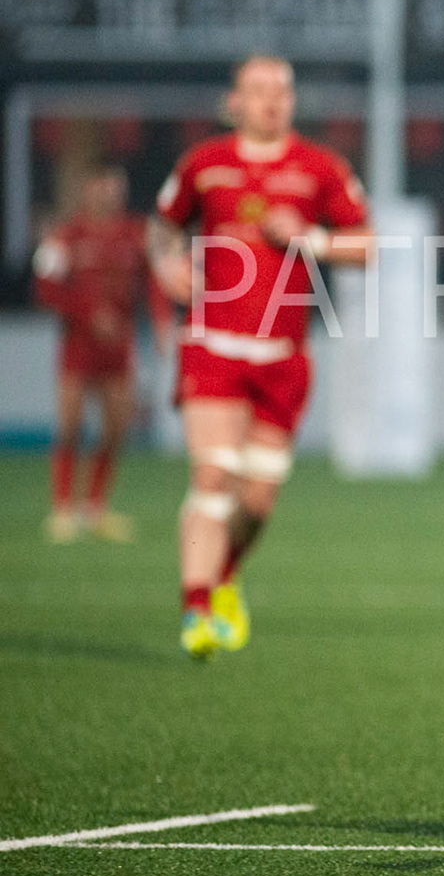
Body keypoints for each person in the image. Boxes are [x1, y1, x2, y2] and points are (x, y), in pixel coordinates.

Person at [148, 54, 371, 659]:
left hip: (283, 356)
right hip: (211, 345)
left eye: (282, 90)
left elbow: (368, 245)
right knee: (212, 476)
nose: (272, 100)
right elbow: (163, 227)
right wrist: (167, 263)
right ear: (235, 101)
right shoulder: (205, 163)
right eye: (259, 90)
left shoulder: (320, 167)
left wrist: (313, 237)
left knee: (256, 500)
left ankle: (223, 574)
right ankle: (196, 611)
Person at [33, 165, 174, 543]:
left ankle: (95, 507)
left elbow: (155, 282)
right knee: (70, 423)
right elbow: (45, 288)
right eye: (103, 187)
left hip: (120, 346)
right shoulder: (66, 236)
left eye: (116, 188)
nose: (111, 194)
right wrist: (86, 313)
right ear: (88, 189)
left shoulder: (135, 233)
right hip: (78, 346)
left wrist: (161, 322)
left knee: (116, 425)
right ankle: (63, 507)